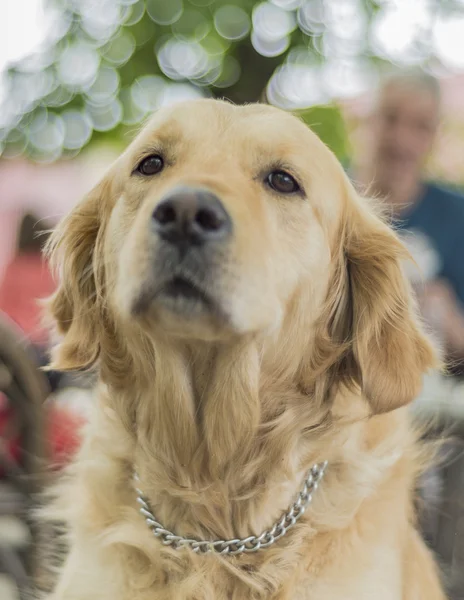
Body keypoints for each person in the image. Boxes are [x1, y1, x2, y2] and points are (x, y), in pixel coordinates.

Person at [354, 71, 464, 372]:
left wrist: (448, 319)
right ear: (369, 119)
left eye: (420, 126)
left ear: (435, 136)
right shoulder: (326, 193)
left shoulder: (457, 215)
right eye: (391, 118)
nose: (401, 139)